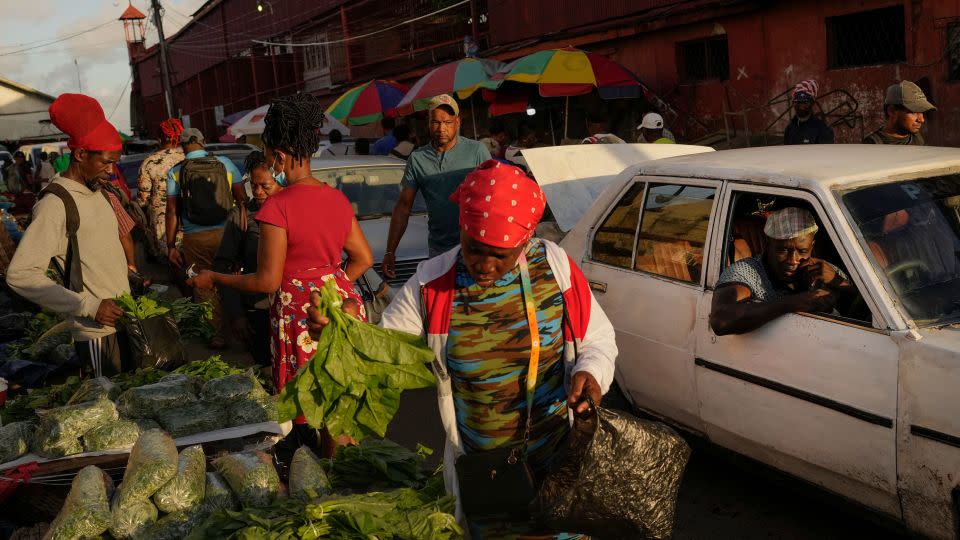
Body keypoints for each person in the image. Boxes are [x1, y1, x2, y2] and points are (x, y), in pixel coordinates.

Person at [308, 160, 617, 537]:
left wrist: (591, 372)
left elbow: (597, 339)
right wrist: (342, 330)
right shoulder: (431, 286)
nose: (483, 265)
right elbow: (381, 353)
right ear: (462, 230)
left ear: (524, 241)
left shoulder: (555, 268)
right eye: (474, 248)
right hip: (487, 480)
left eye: (498, 255)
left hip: (559, 467)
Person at [189, 93, 373, 441]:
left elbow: (268, 281)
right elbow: (364, 259)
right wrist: (329, 287)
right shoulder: (336, 198)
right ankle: (348, 473)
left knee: (308, 415)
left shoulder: (277, 208)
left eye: (271, 155)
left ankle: (323, 478)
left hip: (301, 319)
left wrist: (215, 277)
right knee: (339, 403)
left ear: (281, 156)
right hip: (341, 312)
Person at [7, 93, 131, 377]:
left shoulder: (97, 192)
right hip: (96, 335)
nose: (111, 172)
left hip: (123, 321)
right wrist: (89, 305)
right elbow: (21, 274)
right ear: (81, 154)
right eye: (105, 163)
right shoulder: (55, 204)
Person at [382, 94, 491, 277]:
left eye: (447, 122)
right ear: (428, 123)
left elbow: (493, 196)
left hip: (476, 247)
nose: (442, 129)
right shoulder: (417, 158)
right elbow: (403, 206)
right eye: (436, 122)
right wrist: (390, 251)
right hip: (439, 250)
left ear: (457, 122)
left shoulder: (477, 151)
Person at [709, 207, 855, 335]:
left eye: (802, 251)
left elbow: (866, 309)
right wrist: (792, 303)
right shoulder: (746, 271)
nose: (793, 260)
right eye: (783, 250)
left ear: (812, 246)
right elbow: (720, 321)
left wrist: (839, 282)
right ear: (768, 244)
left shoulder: (823, 270)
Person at [165, 127, 245, 349]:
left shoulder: (176, 172)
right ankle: (241, 331)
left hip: (194, 238)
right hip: (227, 235)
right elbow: (242, 198)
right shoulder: (224, 164)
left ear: (182, 146)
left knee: (203, 286)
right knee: (231, 279)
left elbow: (171, 211)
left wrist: (171, 245)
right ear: (203, 141)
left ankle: (215, 336)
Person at [212, 151, 280, 366]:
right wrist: (237, 315)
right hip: (258, 311)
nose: (258, 192)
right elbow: (223, 265)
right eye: (254, 185)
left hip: (294, 310)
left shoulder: (293, 210)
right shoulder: (241, 217)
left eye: (265, 186)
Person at [138, 118, 186, 259]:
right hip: (188, 216)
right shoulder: (186, 157)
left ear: (159, 139)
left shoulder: (149, 162)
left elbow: (143, 200)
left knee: (169, 260)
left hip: (162, 219)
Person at [863, 80, 935, 145]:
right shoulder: (872, 145)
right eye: (913, 112)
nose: (922, 120)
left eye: (922, 112)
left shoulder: (916, 137)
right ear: (892, 111)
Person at [783, 80, 834, 145]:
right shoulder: (789, 129)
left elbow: (826, 154)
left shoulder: (823, 129)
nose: (801, 106)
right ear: (794, 103)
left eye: (805, 102)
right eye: (798, 102)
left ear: (812, 103)